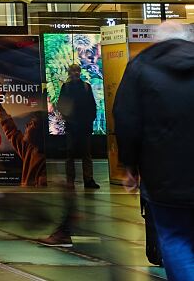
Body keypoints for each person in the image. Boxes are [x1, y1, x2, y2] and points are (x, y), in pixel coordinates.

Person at [114, 20, 194, 279]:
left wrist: (129, 167)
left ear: (157, 41)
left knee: (174, 237)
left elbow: (126, 120)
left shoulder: (139, 67)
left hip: (163, 175)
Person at [56, 63, 99, 190]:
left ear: (80, 72)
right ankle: (72, 181)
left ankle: (88, 180)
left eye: (77, 70)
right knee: (71, 155)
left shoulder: (86, 87)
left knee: (85, 154)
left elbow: (92, 106)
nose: (75, 73)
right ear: (69, 73)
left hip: (83, 127)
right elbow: (61, 106)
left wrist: (89, 121)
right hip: (72, 127)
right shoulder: (67, 87)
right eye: (73, 71)